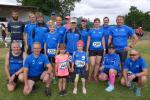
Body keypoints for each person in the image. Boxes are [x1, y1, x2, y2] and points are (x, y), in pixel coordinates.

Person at [86, 18, 105, 83]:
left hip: (100, 49)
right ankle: (89, 76)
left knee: (97, 63)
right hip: (92, 49)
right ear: (94, 23)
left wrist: (104, 49)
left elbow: (102, 40)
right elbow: (88, 40)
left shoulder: (102, 31)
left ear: (99, 23)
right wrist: (87, 50)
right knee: (92, 64)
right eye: (95, 22)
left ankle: (95, 76)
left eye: (98, 22)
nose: (97, 23)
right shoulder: (90, 31)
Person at [63, 17, 81, 82]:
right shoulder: (67, 32)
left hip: (76, 51)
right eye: (72, 23)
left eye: (74, 23)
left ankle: (74, 76)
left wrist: (79, 51)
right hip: (69, 51)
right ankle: (68, 76)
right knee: (69, 63)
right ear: (70, 24)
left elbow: (80, 42)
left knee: (75, 64)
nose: (73, 24)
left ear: (76, 24)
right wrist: (66, 51)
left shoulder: (78, 32)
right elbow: (64, 42)